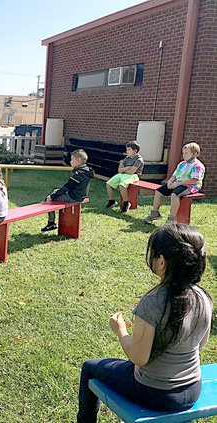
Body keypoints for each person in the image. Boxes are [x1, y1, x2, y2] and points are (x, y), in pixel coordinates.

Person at [77, 224, 212, 423]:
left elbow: (139, 359)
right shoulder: (203, 297)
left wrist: (121, 330)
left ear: (162, 262)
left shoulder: (152, 303)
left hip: (154, 392)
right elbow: (201, 344)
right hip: (192, 389)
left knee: (89, 368)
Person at [144, 143, 205, 224]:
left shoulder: (197, 166)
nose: (184, 155)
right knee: (158, 191)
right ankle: (155, 213)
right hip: (178, 183)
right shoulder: (182, 164)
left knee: (174, 194)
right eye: (183, 153)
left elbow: (194, 179)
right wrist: (169, 182)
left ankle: (172, 218)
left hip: (190, 185)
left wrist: (178, 184)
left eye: (186, 153)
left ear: (195, 154)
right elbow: (174, 176)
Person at [41, 149, 94, 232]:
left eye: (72, 159)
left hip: (73, 197)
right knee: (56, 191)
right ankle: (51, 222)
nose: (70, 162)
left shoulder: (78, 174)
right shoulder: (86, 170)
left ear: (78, 160)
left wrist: (52, 196)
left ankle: (51, 223)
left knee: (48, 199)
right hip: (81, 196)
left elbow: (67, 187)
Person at [105, 141, 144, 212]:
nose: (127, 151)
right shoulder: (127, 158)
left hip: (133, 176)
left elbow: (132, 172)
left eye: (129, 150)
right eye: (127, 149)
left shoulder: (138, 159)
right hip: (123, 174)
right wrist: (127, 168)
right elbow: (119, 170)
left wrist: (124, 169)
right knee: (109, 183)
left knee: (122, 185)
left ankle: (126, 203)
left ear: (135, 150)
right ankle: (112, 201)